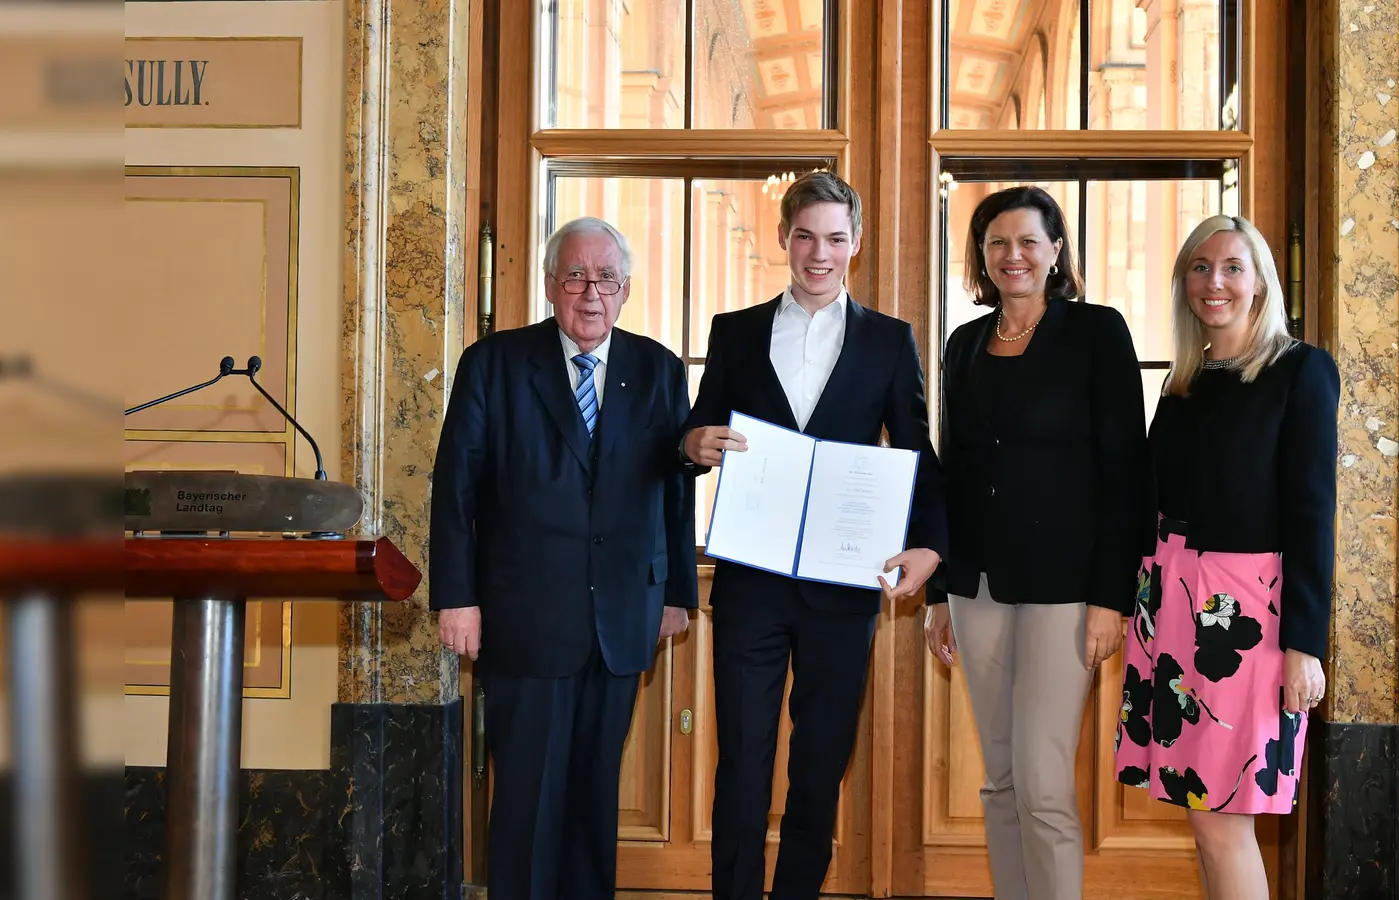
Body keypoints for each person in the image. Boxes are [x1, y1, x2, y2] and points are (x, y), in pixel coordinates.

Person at [680, 170, 948, 900]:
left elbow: (918, 448)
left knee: (821, 760)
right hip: (750, 586)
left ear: (855, 244)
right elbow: (696, 424)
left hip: (842, 587)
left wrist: (930, 545)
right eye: (805, 235)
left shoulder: (891, 341)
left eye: (834, 238)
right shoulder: (732, 332)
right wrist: (693, 442)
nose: (818, 253)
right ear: (783, 239)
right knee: (741, 758)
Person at [429, 217, 697, 900]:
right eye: (575, 275)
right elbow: (455, 488)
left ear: (626, 289)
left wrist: (677, 594)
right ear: (550, 285)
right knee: (525, 802)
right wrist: (456, 597)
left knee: (591, 802)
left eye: (605, 277)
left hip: (622, 620)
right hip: (524, 619)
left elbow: (673, 490)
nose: (590, 291)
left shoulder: (659, 369)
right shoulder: (494, 363)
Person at [923, 185, 1149, 900]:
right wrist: (937, 592)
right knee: (1001, 780)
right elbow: (949, 468)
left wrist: (1112, 597)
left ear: (1056, 250)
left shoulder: (1097, 333)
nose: (1012, 256)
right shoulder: (965, 344)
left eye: (1027, 241)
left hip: (1066, 588)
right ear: (982, 258)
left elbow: (1126, 470)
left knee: (1045, 783)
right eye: (997, 243)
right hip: (976, 585)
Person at [1113, 214, 1337, 899]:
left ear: (1261, 283)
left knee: (1222, 822)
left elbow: (1312, 513)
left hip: (1246, 620)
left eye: (1233, 267)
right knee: (1202, 816)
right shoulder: (1184, 384)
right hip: (1171, 610)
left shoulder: (1301, 371)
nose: (1216, 282)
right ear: (1184, 284)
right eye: (1201, 268)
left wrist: (1304, 644)